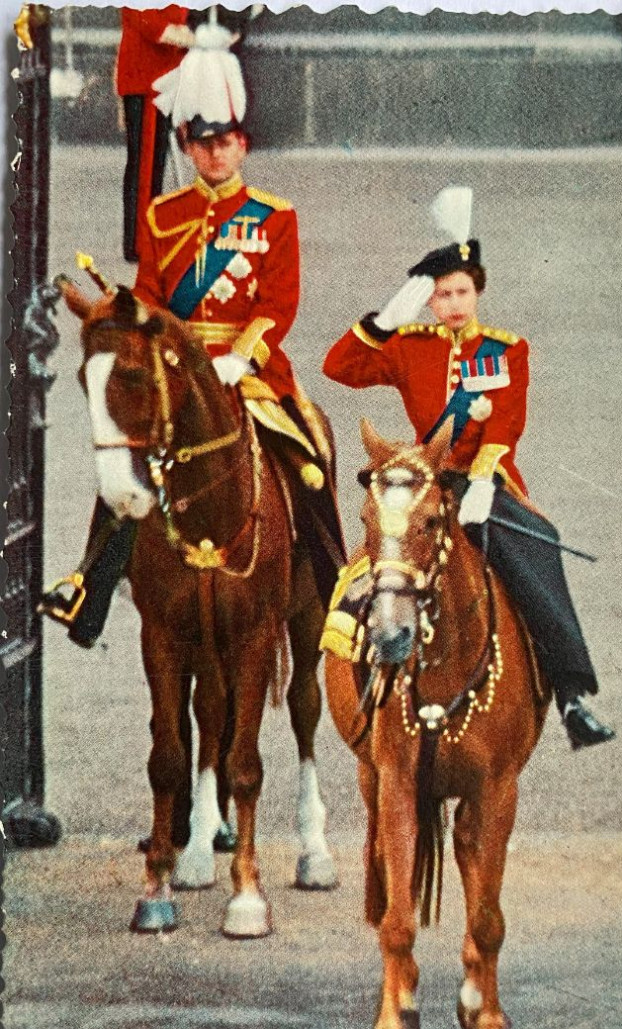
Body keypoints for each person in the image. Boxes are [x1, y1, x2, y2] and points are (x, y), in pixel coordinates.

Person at [40, 46, 344, 647]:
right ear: (187, 145)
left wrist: (242, 355)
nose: (214, 152)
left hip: (249, 368)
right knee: (128, 459)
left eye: (225, 140)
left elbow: (278, 304)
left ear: (243, 145)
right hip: (177, 363)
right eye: (202, 142)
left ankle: (337, 591)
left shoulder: (274, 218)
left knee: (309, 460)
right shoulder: (162, 215)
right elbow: (152, 295)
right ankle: (89, 588)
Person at [321, 236, 615, 751]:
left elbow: (505, 425)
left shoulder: (506, 350)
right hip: (427, 480)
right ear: (429, 302)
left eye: (461, 292)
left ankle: (570, 694)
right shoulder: (411, 346)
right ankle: (354, 671)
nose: (453, 304)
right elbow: (338, 368)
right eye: (441, 295)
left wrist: (482, 478)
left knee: (538, 546)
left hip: (485, 481)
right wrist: (384, 322)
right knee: (374, 560)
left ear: (476, 293)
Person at [116, 6, 192, 264]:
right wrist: (187, 37)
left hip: (164, 73)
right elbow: (147, 21)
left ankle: (147, 235)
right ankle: (139, 242)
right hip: (147, 74)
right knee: (145, 165)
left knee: (155, 162)